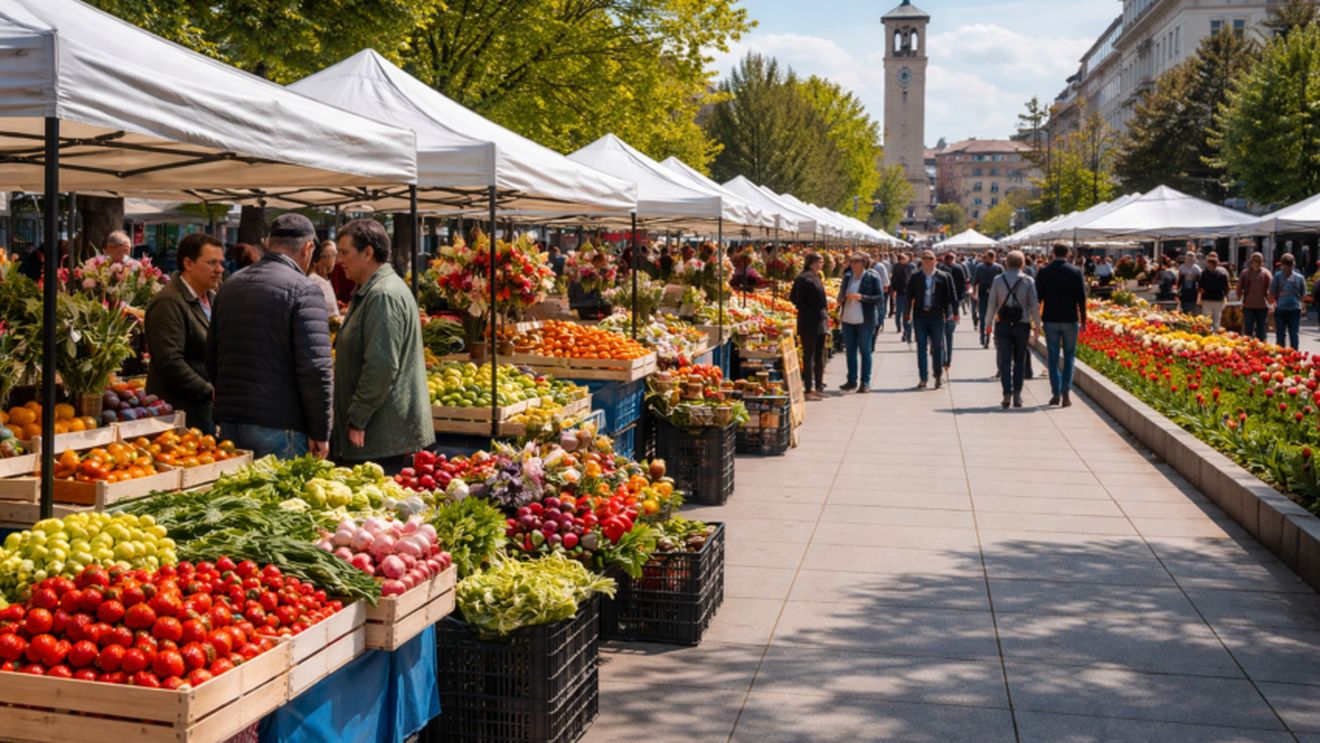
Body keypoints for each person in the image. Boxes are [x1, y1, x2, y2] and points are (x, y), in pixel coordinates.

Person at [207, 213, 332, 460]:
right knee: (283, 487)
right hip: (281, 424)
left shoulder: (230, 285)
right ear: (307, 248)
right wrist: (321, 431)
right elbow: (315, 368)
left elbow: (212, 354)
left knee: (239, 486)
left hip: (232, 421)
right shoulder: (305, 289)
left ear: (268, 244)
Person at [331, 219, 435, 471]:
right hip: (381, 434)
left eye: (344, 252)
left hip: (379, 438)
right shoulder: (375, 290)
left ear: (368, 253)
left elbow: (381, 365)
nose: (339, 260)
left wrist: (357, 419)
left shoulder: (382, 295)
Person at [144, 233, 226, 434]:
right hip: (179, 416)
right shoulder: (169, 302)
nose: (220, 269)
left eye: (221, 263)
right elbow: (170, 361)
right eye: (212, 263)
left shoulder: (212, 298)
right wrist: (209, 391)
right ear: (188, 264)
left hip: (202, 410)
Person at [987, 250, 1042, 409]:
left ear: (1006, 263)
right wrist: (1037, 326)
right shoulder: (1028, 280)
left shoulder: (998, 279)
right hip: (1022, 323)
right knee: (1020, 359)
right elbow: (1034, 305)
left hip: (1003, 323)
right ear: (1022, 263)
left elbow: (992, 303)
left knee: (1004, 360)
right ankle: (1017, 394)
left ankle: (1006, 393)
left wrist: (988, 323)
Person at [1036, 244, 1088, 408]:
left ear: (1052, 253)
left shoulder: (1044, 272)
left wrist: (1036, 320)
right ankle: (1066, 391)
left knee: (1052, 358)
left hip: (1050, 319)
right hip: (1070, 319)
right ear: (1068, 253)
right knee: (1069, 356)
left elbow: (1038, 298)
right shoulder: (1076, 272)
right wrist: (1083, 320)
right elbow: (1082, 298)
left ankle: (1056, 392)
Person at [904, 250, 959, 390]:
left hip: (937, 316)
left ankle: (938, 376)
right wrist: (907, 313)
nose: (927, 261)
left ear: (935, 260)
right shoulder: (915, 277)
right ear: (921, 261)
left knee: (937, 347)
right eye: (924, 258)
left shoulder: (944, 276)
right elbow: (909, 296)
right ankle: (923, 378)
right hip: (920, 316)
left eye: (930, 258)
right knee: (921, 347)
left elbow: (952, 295)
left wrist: (955, 313)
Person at [837, 253, 885, 393]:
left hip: (865, 319)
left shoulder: (872, 276)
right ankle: (851, 381)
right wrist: (840, 298)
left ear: (864, 263)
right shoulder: (847, 277)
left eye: (856, 262)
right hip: (848, 318)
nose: (853, 264)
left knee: (865, 350)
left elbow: (879, 297)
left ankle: (865, 382)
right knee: (850, 351)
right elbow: (841, 293)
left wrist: (861, 297)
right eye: (851, 262)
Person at [790, 254, 829, 400]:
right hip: (809, 321)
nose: (821, 265)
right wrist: (810, 310)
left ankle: (818, 386)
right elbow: (795, 298)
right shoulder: (803, 278)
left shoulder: (816, 276)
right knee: (809, 355)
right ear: (811, 263)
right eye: (819, 262)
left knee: (819, 355)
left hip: (820, 320)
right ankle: (808, 389)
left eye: (822, 262)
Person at [937, 252, 967, 373]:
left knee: (940, 336)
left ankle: (941, 361)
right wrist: (958, 303)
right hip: (953, 303)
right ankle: (948, 361)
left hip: (940, 307)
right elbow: (963, 284)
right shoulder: (958, 268)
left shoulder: (939, 269)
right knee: (949, 335)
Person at [1270, 252, 1307, 350]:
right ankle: (1294, 355)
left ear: (1281, 264)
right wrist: (1301, 304)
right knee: (1294, 333)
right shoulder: (1300, 277)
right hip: (1294, 308)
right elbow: (1303, 294)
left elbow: (1272, 293)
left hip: (1281, 308)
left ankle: (1281, 354)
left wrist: (1273, 303)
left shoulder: (1277, 276)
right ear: (1294, 264)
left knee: (1281, 334)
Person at [973, 251, 1004, 349]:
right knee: (994, 318)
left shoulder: (979, 267)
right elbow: (1003, 283)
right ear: (993, 257)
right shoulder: (998, 267)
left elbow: (975, 282)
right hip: (995, 296)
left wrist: (974, 294)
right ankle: (991, 337)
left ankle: (984, 337)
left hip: (983, 295)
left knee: (983, 317)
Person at [1239, 252, 1272, 342]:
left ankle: (1258, 346)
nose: (1256, 263)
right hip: (1250, 305)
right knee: (1252, 329)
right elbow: (1239, 288)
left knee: (1258, 328)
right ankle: (1251, 346)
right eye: (1255, 261)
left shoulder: (1265, 273)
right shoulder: (1246, 273)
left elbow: (1270, 289)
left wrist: (1271, 303)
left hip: (1260, 305)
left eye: (1258, 261)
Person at [308, 240, 341, 320]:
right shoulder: (318, 281)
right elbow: (332, 316)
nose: (335, 260)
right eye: (326, 256)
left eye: (334, 255)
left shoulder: (317, 279)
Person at [1198, 253, 1230, 331]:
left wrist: (1200, 299)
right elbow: (1227, 287)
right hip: (1217, 299)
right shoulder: (1222, 273)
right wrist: (1225, 296)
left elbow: (1200, 287)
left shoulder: (1204, 273)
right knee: (1215, 320)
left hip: (1208, 299)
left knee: (1207, 320)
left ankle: (1209, 334)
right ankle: (1214, 334)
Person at [890, 252, 916, 343]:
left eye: (906, 258)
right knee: (898, 314)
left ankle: (907, 334)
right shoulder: (896, 267)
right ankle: (899, 327)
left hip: (908, 294)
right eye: (903, 259)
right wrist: (893, 290)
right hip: (899, 293)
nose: (906, 260)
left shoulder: (911, 266)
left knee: (907, 315)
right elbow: (893, 279)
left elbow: (913, 280)